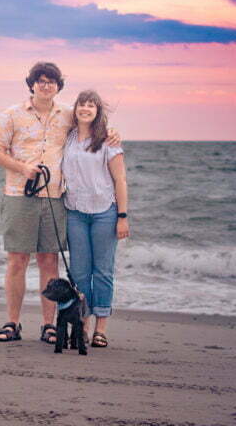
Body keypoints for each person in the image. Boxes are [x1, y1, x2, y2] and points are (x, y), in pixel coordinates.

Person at [0, 62, 119, 345]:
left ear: (58, 86)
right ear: (31, 84)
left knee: (49, 261)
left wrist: (112, 133)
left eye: (51, 81)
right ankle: (13, 323)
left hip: (55, 198)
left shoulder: (68, 115)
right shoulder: (11, 115)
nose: (46, 85)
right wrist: (22, 167)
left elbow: (91, 123)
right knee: (17, 260)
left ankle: (49, 325)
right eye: (41, 81)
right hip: (18, 195)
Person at [62, 90, 129, 348]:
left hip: (104, 211)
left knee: (102, 271)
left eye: (91, 105)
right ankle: (83, 326)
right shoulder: (67, 137)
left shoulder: (108, 140)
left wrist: (122, 216)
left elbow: (120, 180)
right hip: (75, 211)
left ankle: (101, 327)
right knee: (79, 273)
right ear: (76, 108)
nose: (86, 108)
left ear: (97, 111)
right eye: (82, 104)